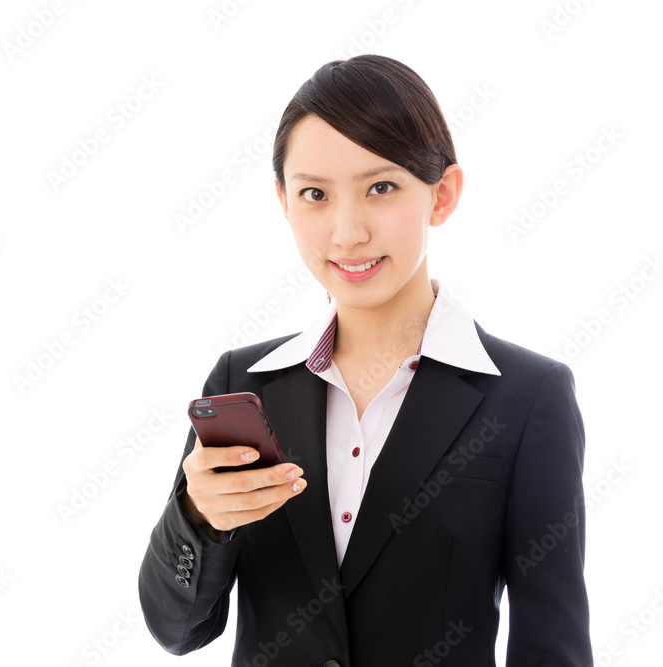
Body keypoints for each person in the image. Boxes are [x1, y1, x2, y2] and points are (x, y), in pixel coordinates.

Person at [137, 54, 592, 666]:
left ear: (443, 193)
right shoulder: (244, 384)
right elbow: (177, 630)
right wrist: (198, 519)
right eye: (315, 195)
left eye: (381, 187)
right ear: (284, 202)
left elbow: (552, 644)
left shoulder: (528, 397)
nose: (347, 232)